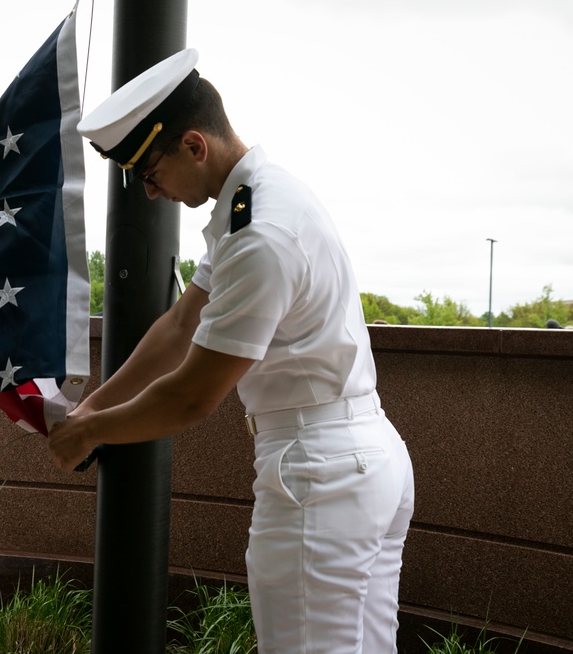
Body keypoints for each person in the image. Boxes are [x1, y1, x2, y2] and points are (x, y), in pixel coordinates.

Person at [49, 49, 415, 653]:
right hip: (351, 460)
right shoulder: (248, 204)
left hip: (318, 476)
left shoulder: (259, 234)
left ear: (194, 145)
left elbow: (193, 394)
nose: (148, 192)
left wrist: (93, 434)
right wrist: (89, 410)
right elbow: (178, 326)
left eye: (149, 171)